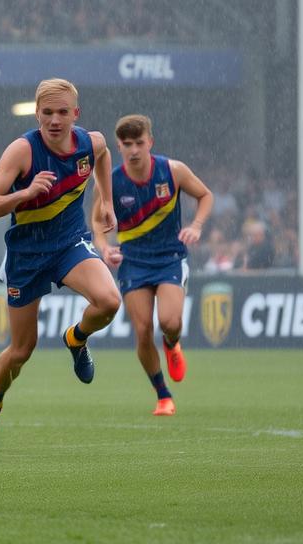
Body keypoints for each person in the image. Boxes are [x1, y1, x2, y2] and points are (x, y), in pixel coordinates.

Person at [0, 78, 120, 451]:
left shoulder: (89, 141)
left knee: (109, 301)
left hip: (69, 243)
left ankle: (76, 338)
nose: (55, 120)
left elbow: (103, 155)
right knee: (21, 350)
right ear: (37, 113)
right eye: (47, 113)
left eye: (63, 112)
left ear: (76, 114)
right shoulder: (22, 151)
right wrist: (25, 192)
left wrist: (105, 200)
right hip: (27, 256)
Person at [98, 114, 213, 417]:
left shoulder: (172, 171)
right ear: (118, 146)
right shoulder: (110, 182)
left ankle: (172, 345)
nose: (133, 150)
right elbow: (97, 222)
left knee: (170, 323)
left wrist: (197, 226)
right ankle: (163, 395)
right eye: (126, 144)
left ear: (150, 142)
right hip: (133, 262)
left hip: (169, 259)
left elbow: (205, 195)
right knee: (143, 329)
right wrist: (104, 249)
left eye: (139, 143)